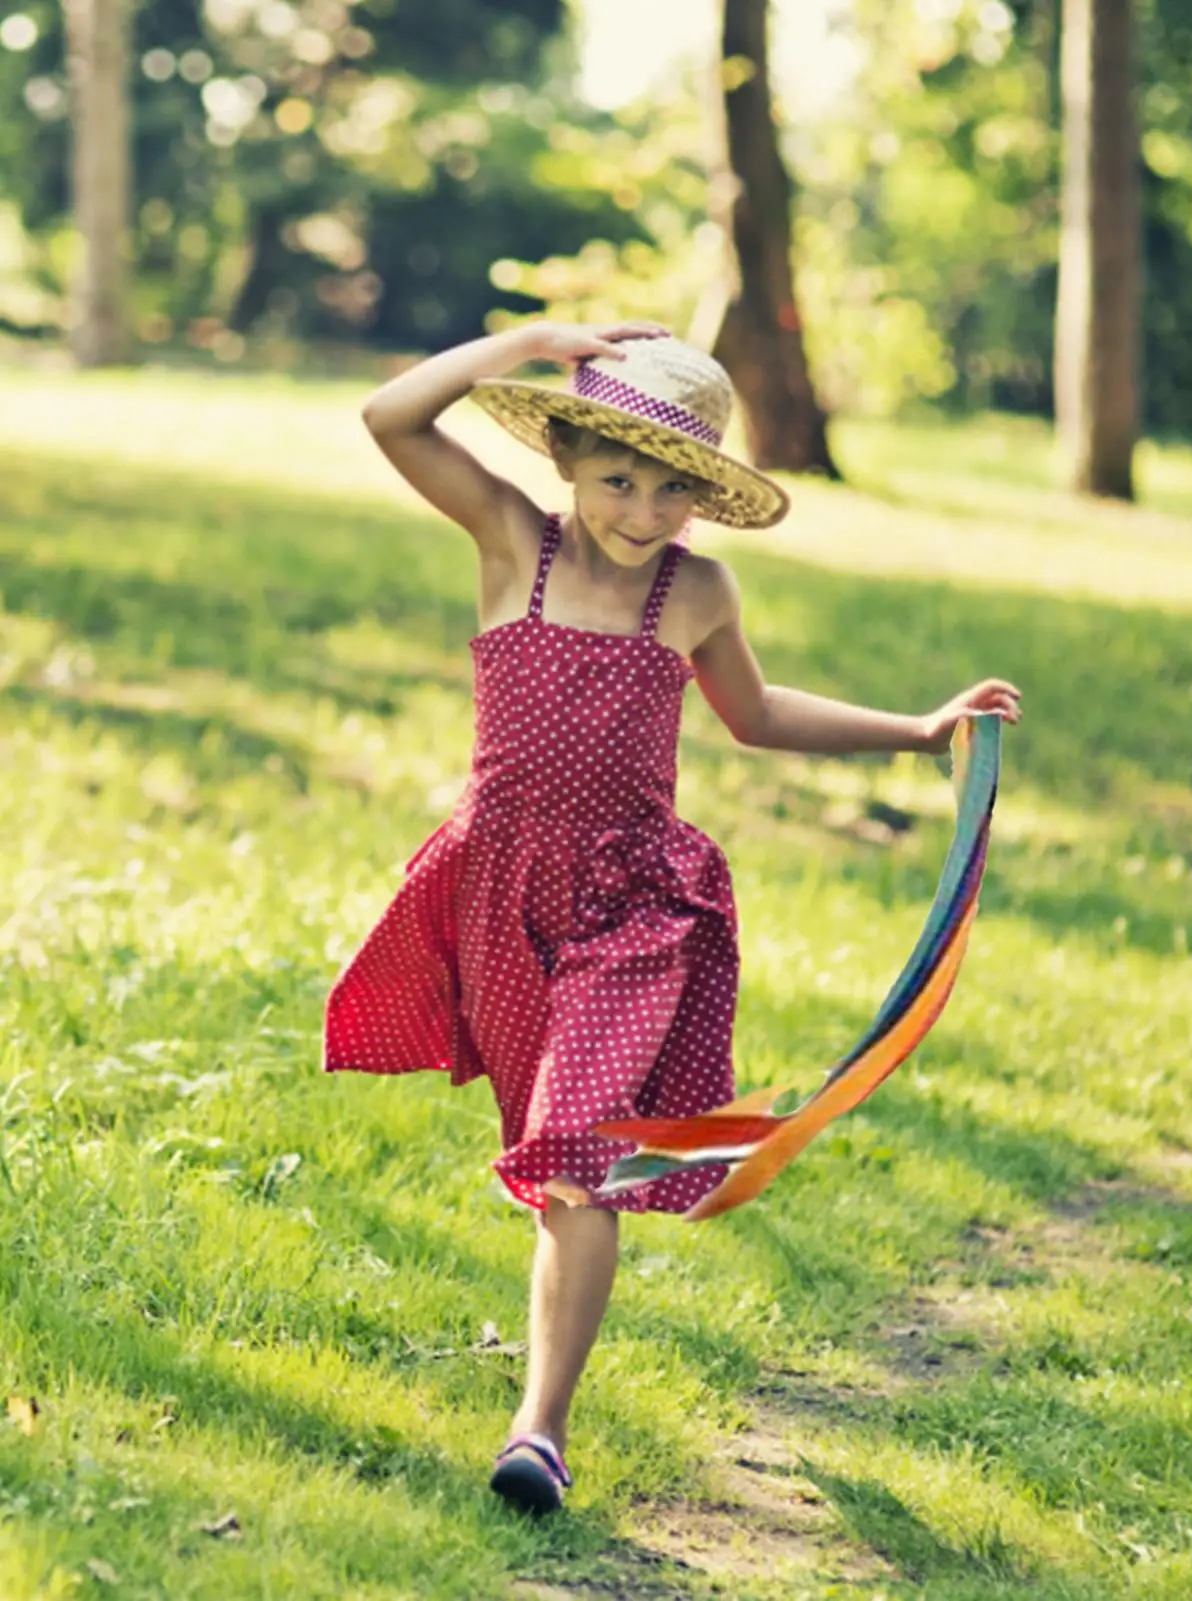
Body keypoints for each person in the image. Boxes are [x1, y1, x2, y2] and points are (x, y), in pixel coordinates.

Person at [322, 320, 1021, 1516]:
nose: (641, 510)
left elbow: (752, 714)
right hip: (502, 891)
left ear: (703, 492)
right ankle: (558, 1351)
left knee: (579, 1156)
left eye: (669, 488)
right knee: (550, 1158)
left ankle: (537, 1428)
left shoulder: (695, 587)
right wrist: (536, 340)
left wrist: (914, 729)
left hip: (635, 906)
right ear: (568, 463)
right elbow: (391, 415)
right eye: (616, 479)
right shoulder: (512, 544)